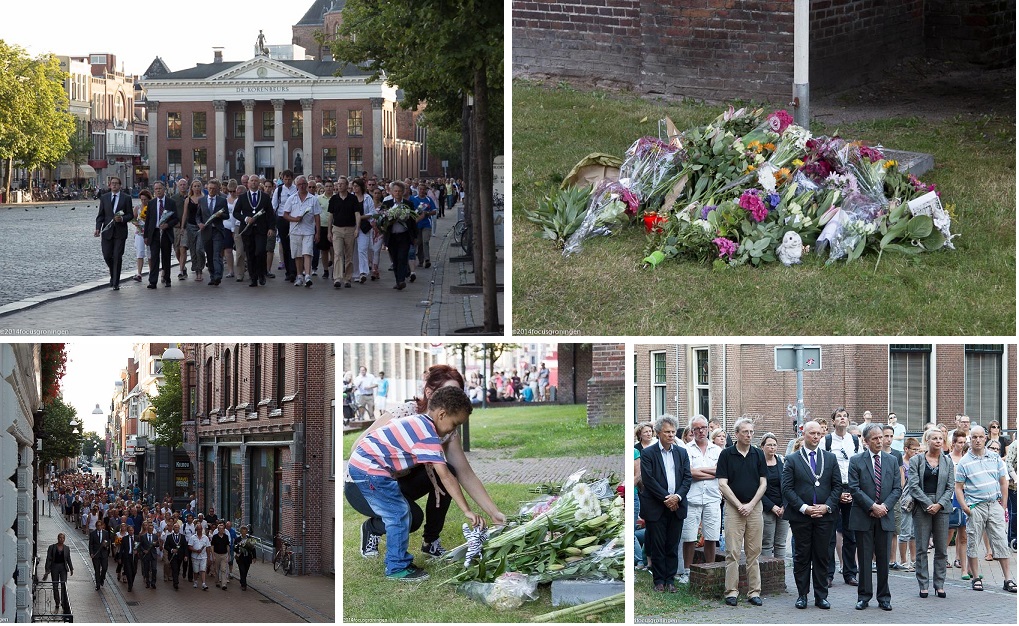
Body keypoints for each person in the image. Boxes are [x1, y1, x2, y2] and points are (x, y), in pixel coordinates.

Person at [347, 365, 507, 560]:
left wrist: (493, 513)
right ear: (430, 393)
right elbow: (357, 446)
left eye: (457, 393)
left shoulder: (446, 430)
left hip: (393, 483)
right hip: (365, 484)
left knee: (447, 470)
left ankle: (430, 542)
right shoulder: (406, 413)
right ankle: (373, 529)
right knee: (409, 518)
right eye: (448, 392)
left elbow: (464, 474)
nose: (453, 398)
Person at [782, 421, 841, 610]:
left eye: (818, 434)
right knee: (802, 556)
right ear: (804, 434)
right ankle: (802, 594)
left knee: (822, 555)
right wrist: (804, 507)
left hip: (824, 515)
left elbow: (837, 486)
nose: (816, 437)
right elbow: (787, 488)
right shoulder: (792, 459)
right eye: (812, 433)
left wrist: (827, 507)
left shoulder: (830, 458)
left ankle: (821, 596)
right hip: (801, 516)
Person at [954, 425, 1015, 593]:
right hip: (976, 507)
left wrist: (1002, 505)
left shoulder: (995, 457)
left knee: (1001, 541)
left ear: (986, 438)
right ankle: (975, 578)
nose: (978, 440)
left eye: (981, 437)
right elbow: (958, 487)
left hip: (994, 504)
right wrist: (965, 507)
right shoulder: (964, 462)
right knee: (973, 542)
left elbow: (1003, 481)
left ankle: (1008, 579)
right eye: (974, 437)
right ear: (970, 439)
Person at [848, 424, 900, 611]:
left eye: (881, 438)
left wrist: (884, 507)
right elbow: (854, 488)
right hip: (864, 516)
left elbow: (897, 488)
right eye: (875, 438)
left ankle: (884, 597)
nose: (880, 441)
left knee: (884, 559)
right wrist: (872, 506)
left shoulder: (892, 460)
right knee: (864, 558)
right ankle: (864, 596)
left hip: (885, 516)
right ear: (866, 441)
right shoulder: (856, 461)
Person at [716, 417, 767, 606]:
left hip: (754, 508)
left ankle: (754, 592)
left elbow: (764, 483)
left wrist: (752, 504)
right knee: (733, 551)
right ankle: (731, 591)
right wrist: (739, 505)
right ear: (736, 434)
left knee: (754, 551)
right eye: (745, 432)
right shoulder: (726, 455)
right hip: (733, 508)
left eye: (751, 432)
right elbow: (722, 484)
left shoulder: (758, 454)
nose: (749, 435)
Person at [639, 414, 692, 593]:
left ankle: (670, 580)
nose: (671, 435)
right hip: (656, 506)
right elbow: (649, 479)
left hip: (677, 505)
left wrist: (677, 497)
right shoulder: (648, 453)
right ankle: (659, 580)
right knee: (658, 545)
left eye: (673, 432)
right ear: (658, 433)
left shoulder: (682, 452)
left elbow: (687, 478)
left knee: (672, 544)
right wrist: (667, 498)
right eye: (667, 432)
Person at [908, 429, 953, 598]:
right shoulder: (916, 460)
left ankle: (939, 584)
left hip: (942, 507)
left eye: (941, 438)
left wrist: (939, 504)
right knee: (921, 548)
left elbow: (950, 487)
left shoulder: (947, 462)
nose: (938, 441)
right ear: (927, 440)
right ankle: (923, 584)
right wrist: (928, 504)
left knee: (941, 548)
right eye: (934, 438)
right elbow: (913, 486)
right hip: (922, 506)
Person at [681, 415, 721, 585]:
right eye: (696, 429)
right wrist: (709, 471)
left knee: (711, 536)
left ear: (708, 428)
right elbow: (689, 473)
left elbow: (720, 471)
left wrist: (699, 471)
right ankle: (687, 571)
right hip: (692, 498)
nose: (701, 431)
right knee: (689, 536)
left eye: (703, 427)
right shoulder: (686, 450)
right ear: (692, 431)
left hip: (712, 498)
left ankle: (710, 569)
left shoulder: (717, 450)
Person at [824, 407, 861, 587]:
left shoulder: (854, 441)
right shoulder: (827, 440)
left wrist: (854, 490)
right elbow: (823, 469)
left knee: (850, 533)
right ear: (833, 421)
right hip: (833, 489)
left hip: (852, 487)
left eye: (845, 416)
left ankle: (850, 572)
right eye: (839, 416)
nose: (842, 419)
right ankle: (828, 573)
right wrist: (837, 494)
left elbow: (860, 465)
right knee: (830, 533)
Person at [282, 175, 321, 287]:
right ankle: (299, 276)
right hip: (295, 231)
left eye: (304, 184)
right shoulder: (292, 198)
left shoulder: (313, 199)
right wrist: (294, 219)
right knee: (298, 254)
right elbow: (285, 214)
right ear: (296, 186)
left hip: (308, 230)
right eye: (299, 184)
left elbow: (317, 216)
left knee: (307, 252)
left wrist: (318, 232)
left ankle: (307, 275)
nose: (302, 186)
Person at [380, 181, 416, 290]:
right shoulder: (387, 204)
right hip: (392, 236)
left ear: (403, 192)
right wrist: (388, 218)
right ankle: (398, 280)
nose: (398, 193)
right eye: (395, 191)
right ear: (391, 192)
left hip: (404, 235)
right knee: (395, 259)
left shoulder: (408, 204)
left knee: (402, 257)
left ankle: (401, 280)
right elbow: (381, 220)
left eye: (400, 191)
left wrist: (414, 236)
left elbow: (413, 221)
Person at [328, 176, 362, 289]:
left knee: (349, 255)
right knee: (338, 253)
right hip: (337, 229)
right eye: (338, 184)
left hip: (350, 229)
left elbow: (357, 214)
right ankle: (337, 278)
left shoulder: (353, 199)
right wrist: (329, 231)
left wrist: (357, 228)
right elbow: (330, 216)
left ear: (347, 186)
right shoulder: (333, 199)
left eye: (342, 184)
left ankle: (347, 278)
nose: (340, 185)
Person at [144, 182, 179, 289]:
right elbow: (148, 220)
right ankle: (153, 281)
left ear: (164, 189)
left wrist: (168, 225)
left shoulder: (171, 202)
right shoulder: (151, 203)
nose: (158, 190)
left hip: (166, 233)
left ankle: (167, 278)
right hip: (154, 233)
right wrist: (146, 235)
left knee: (166, 257)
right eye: (156, 189)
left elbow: (176, 218)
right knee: (154, 257)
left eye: (160, 188)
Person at [760, 432, 789, 559]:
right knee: (766, 543)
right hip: (767, 508)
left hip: (783, 508)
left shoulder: (782, 462)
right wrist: (772, 507)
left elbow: (788, 485)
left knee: (781, 543)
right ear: (762, 447)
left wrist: (783, 505)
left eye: (774, 445)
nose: (772, 447)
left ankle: (780, 573)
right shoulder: (758, 464)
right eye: (769, 445)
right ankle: (766, 573)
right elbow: (757, 489)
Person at [894, 437, 921, 571]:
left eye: (918, 450)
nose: (916, 452)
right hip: (905, 501)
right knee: (904, 532)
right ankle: (904, 560)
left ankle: (914, 559)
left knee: (914, 532)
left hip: (918, 501)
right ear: (906, 449)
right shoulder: (902, 463)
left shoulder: (919, 462)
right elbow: (901, 483)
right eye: (914, 450)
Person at [947, 431, 970, 577]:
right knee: (949, 531)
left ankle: (963, 564)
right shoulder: (947, 459)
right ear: (953, 443)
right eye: (959, 442)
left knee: (964, 535)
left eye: (963, 442)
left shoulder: (967, 458)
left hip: (966, 497)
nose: (961, 445)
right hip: (950, 498)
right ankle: (942, 559)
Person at [198, 178, 229, 286]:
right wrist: (199, 223)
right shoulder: (202, 200)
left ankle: (218, 275)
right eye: (210, 188)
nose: (211, 190)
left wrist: (221, 215)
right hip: (206, 231)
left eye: (214, 189)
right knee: (209, 254)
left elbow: (227, 215)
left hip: (217, 230)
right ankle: (212, 276)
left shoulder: (222, 200)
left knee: (217, 254)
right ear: (207, 188)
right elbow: (198, 216)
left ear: (217, 190)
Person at [270, 169, 298, 282]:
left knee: (294, 245)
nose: (287, 181)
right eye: (285, 179)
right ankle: (288, 271)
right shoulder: (279, 190)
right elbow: (274, 205)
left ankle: (295, 270)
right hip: (282, 218)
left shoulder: (296, 189)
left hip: (294, 219)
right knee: (286, 246)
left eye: (289, 179)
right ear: (283, 179)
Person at [43, 533, 73, 616]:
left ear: (64, 539)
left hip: (63, 568)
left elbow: (68, 559)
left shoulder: (66, 548)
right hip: (55, 567)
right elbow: (48, 558)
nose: (61, 539)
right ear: (57, 538)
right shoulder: (52, 547)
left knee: (63, 585)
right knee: (55, 585)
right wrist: (47, 569)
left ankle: (64, 602)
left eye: (63, 538)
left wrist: (71, 568)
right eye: (60, 538)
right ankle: (57, 602)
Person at [411, 181, 437, 272]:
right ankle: (421, 260)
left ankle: (427, 259)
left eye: (423, 189)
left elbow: (434, 211)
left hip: (426, 224)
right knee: (419, 243)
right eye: (420, 189)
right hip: (417, 224)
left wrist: (427, 213)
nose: (422, 191)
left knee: (425, 241)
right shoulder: (414, 199)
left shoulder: (428, 199)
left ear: (426, 190)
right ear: (418, 190)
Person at [354, 178, 375, 283]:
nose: (355, 188)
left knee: (362, 249)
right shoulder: (352, 198)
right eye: (353, 186)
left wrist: (360, 217)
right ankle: (355, 272)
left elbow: (372, 212)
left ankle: (363, 272)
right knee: (354, 251)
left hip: (364, 226)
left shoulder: (368, 198)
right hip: (352, 226)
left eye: (357, 186)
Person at [313, 180, 333, 279]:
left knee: (334, 249)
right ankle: (326, 270)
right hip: (322, 226)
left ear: (333, 187)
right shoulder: (319, 199)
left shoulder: (335, 198)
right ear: (324, 188)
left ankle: (335, 268)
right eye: (327, 186)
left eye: (330, 186)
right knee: (324, 250)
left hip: (334, 226)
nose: (329, 188)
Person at [130, 189, 151, 282]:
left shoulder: (151, 207)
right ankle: (139, 273)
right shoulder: (137, 208)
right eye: (142, 199)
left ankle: (152, 272)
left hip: (150, 233)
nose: (143, 201)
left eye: (145, 199)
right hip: (139, 232)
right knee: (140, 253)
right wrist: (136, 223)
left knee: (150, 254)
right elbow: (133, 218)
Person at [89, 518, 112, 590]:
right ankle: (98, 584)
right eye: (98, 526)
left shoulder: (105, 533)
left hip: (104, 553)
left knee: (104, 568)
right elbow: (91, 544)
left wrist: (107, 546)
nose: (99, 527)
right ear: (96, 526)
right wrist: (91, 553)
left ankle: (102, 578)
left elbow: (108, 542)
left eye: (100, 525)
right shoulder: (92, 534)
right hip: (96, 554)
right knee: (97, 569)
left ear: (102, 526)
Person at [163, 521, 186, 590]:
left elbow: (184, 547)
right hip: (172, 556)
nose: (176, 528)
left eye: (178, 527)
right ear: (173, 528)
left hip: (180, 556)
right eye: (175, 527)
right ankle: (175, 583)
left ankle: (176, 578)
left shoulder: (182, 537)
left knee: (178, 568)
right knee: (174, 568)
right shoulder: (169, 537)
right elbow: (166, 546)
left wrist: (185, 555)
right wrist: (172, 550)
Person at [189, 523, 212, 590]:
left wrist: (208, 557)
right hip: (195, 557)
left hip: (203, 557)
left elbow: (208, 547)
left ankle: (203, 583)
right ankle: (195, 581)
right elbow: (190, 546)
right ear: (196, 529)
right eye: (198, 529)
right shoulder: (192, 537)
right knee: (196, 571)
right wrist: (196, 550)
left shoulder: (206, 538)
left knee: (203, 570)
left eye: (200, 529)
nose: (199, 530)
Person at [235, 525, 257, 591]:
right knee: (242, 571)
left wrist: (254, 557)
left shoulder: (250, 539)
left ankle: (242, 581)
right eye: (242, 531)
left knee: (245, 571)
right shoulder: (237, 539)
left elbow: (253, 549)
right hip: (240, 558)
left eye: (245, 531)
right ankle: (244, 585)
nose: (244, 533)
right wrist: (238, 550)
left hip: (248, 558)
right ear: (240, 532)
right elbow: (235, 548)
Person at [138, 521, 159, 589]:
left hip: (153, 555)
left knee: (154, 569)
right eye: (149, 529)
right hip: (146, 555)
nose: (151, 530)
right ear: (148, 529)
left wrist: (156, 544)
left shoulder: (155, 536)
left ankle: (153, 582)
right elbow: (140, 545)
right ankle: (147, 582)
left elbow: (157, 544)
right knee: (146, 569)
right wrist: (143, 550)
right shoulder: (143, 536)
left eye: (152, 529)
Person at [210, 523, 231, 589]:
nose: (221, 530)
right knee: (216, 569)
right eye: (220, 529)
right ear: (218, 530)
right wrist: (213, 555)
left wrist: (228, 554)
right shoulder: (215, 537)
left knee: (223, 569)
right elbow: (212, 546)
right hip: (217, 554)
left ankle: (224, 584)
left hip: (224, 555)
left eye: (222, 529)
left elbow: (227, 546)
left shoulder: (226, 537)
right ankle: (217, 581)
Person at [119, 523, 138, 592]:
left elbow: (139, 547)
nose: (131, 532)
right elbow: (121, 549)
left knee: (134, 571)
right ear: (128, 531)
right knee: (128, 571)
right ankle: (130, 585)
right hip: (127, 557)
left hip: (134, 557)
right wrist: (120, 558)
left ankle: (131, 582)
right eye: (130, 530)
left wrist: (137, 551)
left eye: (132, 530)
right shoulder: (124, 539)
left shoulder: (137, 538)